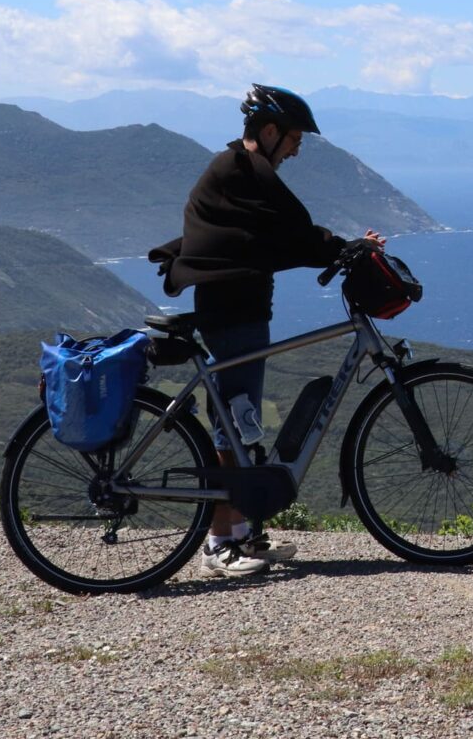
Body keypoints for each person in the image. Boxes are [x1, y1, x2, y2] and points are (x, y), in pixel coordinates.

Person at [150, 84, 384, 577]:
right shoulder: (240, 171)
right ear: (271, 131)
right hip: (231, 310)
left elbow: (276, 237)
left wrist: (338, 247)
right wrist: (342, 248)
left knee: (241, 421)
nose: (297, 148)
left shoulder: (241, 169)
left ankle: (240, 532)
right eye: (295, 137)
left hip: (240, 306)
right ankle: (217, 544)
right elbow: (289, 232)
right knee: (232, 422)